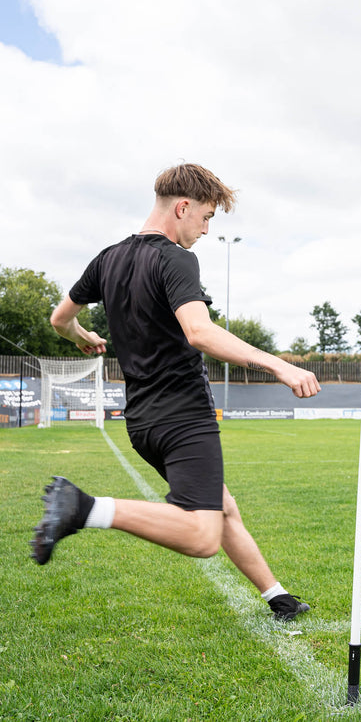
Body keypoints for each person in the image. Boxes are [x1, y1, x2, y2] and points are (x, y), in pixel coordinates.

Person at [31, 163, 321, 621]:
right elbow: (199, 332)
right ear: (182, 207)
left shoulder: (108, 258)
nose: (206, 229)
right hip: (183, 415)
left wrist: (82, 337)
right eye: (206, 217)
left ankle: (277, 598)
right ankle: (87, 508)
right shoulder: (176, 257)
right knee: (202, 535)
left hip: (142, 422)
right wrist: (277, 364)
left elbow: (59, 319)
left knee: (223, 507)